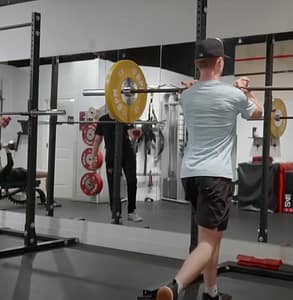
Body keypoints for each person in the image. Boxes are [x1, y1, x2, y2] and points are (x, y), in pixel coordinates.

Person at [155, 38, 262, 300]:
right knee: (206, 242)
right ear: (220, 62)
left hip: (190, 175)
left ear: (196, 64)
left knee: (212, 238)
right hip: (217, 176)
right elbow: (258, 113)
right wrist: (247, 91)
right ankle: (175, 285)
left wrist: (194, 86)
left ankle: (211, 292)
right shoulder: (233, 95)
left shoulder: (187, 96)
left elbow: (195, 91)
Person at [92, 113, 143, 223]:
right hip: (111, 155)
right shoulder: (103, 119)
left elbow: (132, 134)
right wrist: (93, 157)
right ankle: (116, 213)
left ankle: (131, 211)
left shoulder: (124, 116)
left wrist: (135, 135)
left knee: (132, 181)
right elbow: (97, 140)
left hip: (127, 153)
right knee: (113, 185)